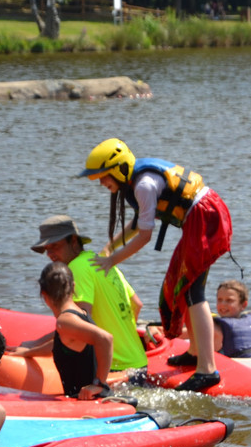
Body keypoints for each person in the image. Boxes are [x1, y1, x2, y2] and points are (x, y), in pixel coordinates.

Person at [79, 138, 232, 392]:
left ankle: (207, 369)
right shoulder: (137, 183)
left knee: (193, 291)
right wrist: (110, 246)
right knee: (180, 287)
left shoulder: (144, 185)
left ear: (119, 170)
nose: (102, 184)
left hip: (206, 218)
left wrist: (111, 261)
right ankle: (194, 353)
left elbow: (144, 236)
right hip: (200, 218)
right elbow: (139, 222)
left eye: (103, 178)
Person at [27, 214, 149, 371]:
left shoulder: (76, 269)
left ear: (73, 241)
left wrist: (33, 348)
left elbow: (80, 326)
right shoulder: (100, 261)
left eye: (55, 246)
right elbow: (137, 304)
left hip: (115, 367)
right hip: (138, 362)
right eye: (46, 249)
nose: (50, 254)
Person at [10, 262, 114, 399]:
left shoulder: (64, 322)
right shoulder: (79, 313)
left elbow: (106, 339)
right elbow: (62, 344)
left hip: (86, 401)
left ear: (44, 294)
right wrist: (29, 352)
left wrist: (99, 384)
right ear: (73, 287)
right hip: (93, 399)